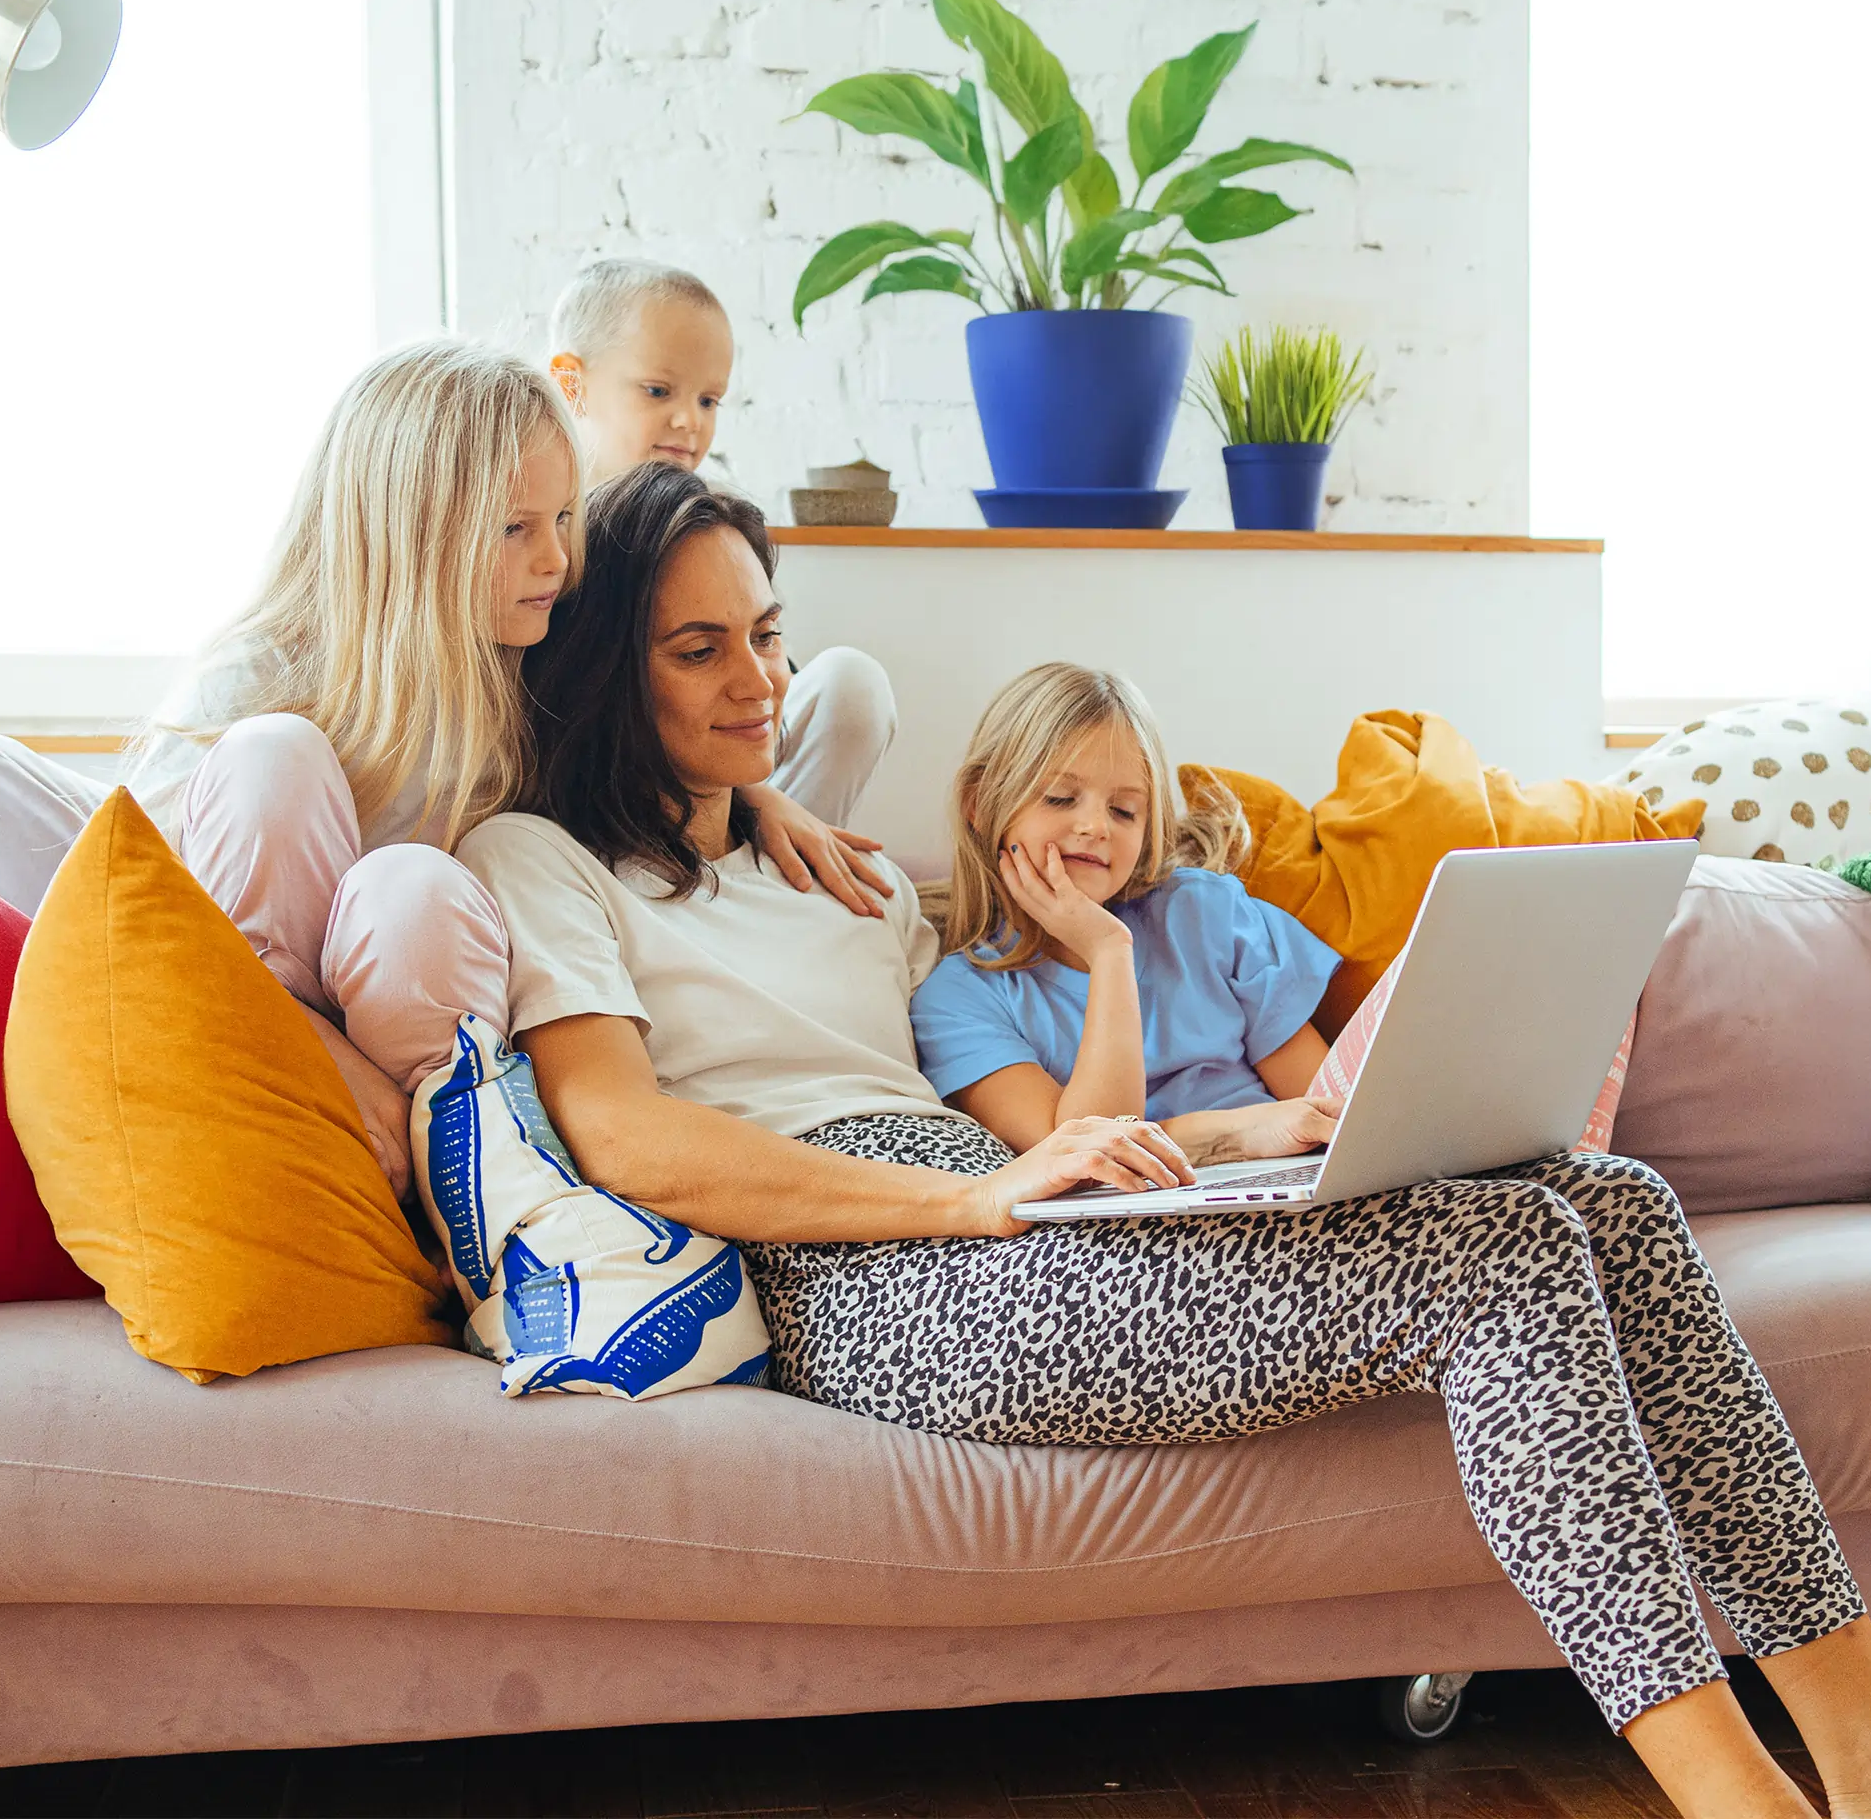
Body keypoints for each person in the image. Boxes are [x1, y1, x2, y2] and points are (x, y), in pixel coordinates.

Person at [456, 461, 1871, 1819]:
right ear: (612, 672)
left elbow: (913, 940)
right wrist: (967, 1196)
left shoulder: (839, 872)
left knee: (1604, 1194)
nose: (759, 683)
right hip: (866, 1274)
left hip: (997, 1208)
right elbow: (630, 1140)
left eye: (766, 638)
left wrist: (764, 824)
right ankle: (1734, 1794)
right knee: (1491, 1254)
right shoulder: (542, 859)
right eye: (699, 651)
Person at [119, 340, 887, 1194]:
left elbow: (649, 731)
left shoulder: (524, 660)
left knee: (410, 889)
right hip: (274, 1003)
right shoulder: (260, 679)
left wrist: (753, 793)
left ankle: (453, 1151)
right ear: (407, 536)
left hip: (422, 1001)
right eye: (515, 529)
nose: (556, 560)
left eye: (564, 520)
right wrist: (323, 1052)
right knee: (269, 756)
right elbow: (145, 918)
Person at [912, 662, 1343, 1167]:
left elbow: (1330, 1107)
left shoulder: (1205, 915)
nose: (1095, 826)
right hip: (1128, 1226)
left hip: (1286, 1180)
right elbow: (1089, 1158)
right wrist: (1107, 951)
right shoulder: (959, 998)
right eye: (1060, 797)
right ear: (980, 804)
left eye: (1123, 811)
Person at [547, 257, 899, 836]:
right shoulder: (545, 533)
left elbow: (756, 688)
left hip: (723, 796)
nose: (689, 421)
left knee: (851, 683)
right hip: (589, 804)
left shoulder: (713, 520)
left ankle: (775, 885)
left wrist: (757, 795)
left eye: (709, 400)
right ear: (571, 384)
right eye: (658, 391)